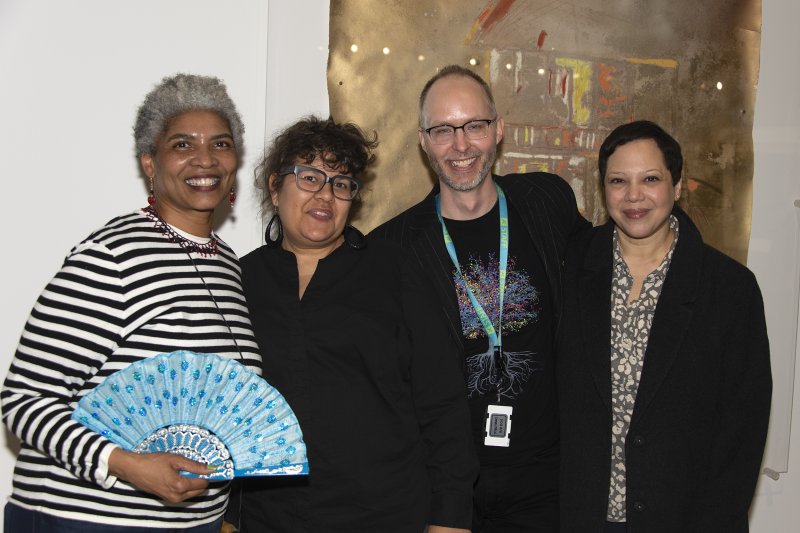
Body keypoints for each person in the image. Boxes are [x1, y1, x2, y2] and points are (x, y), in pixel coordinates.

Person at [1, 73, 261, 532]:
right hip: (85, 519)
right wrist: (125, 463)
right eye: (182, 145)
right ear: (149, 162)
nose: (205, 159)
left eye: (220, 144)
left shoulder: (227, 264)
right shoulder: (111, 258)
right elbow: (23, 401)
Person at [232, 116, 477, 533]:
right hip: (266, 517)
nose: (325, 194)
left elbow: (444, 404)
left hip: (383, 513)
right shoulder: (240, 281)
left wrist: (450, 520)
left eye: (341, 183)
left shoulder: (397, 272)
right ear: (275, 186)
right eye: (309, 176)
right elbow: (227, 408)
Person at [372, 65, 589, 532]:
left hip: (545, 479)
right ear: (423, 141)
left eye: (474, 125)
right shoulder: (394, 247)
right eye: (444, 130)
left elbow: (615, 254)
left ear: (499, 129)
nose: (462, 145)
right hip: (445, 487)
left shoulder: (547, 201)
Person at [557, 120, 772, 532]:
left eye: (650, 179)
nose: (633, 195)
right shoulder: (571, 268)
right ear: (604, 190)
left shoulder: (729, 289)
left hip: (684, 520)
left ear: (676, 186)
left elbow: (741, 432)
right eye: (618, 180)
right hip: (580, 517)